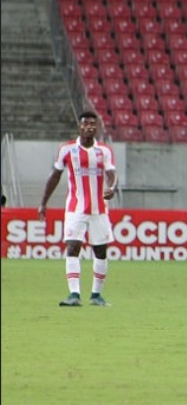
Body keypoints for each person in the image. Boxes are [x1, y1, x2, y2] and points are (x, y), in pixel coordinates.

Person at [38, 111, 117, 307]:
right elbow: (54, 176)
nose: (90, 126)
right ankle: (74, 294)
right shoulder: (67, 149)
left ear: (96, 127)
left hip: (99, 209)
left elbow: (112, 173)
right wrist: (43, 202)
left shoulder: (104, 151)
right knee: (73, 247)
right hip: (76, 208)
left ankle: (96, 295)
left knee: (100, 251)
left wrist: (112, 187)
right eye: (85, 124)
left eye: (93, 123)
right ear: (79, 127)